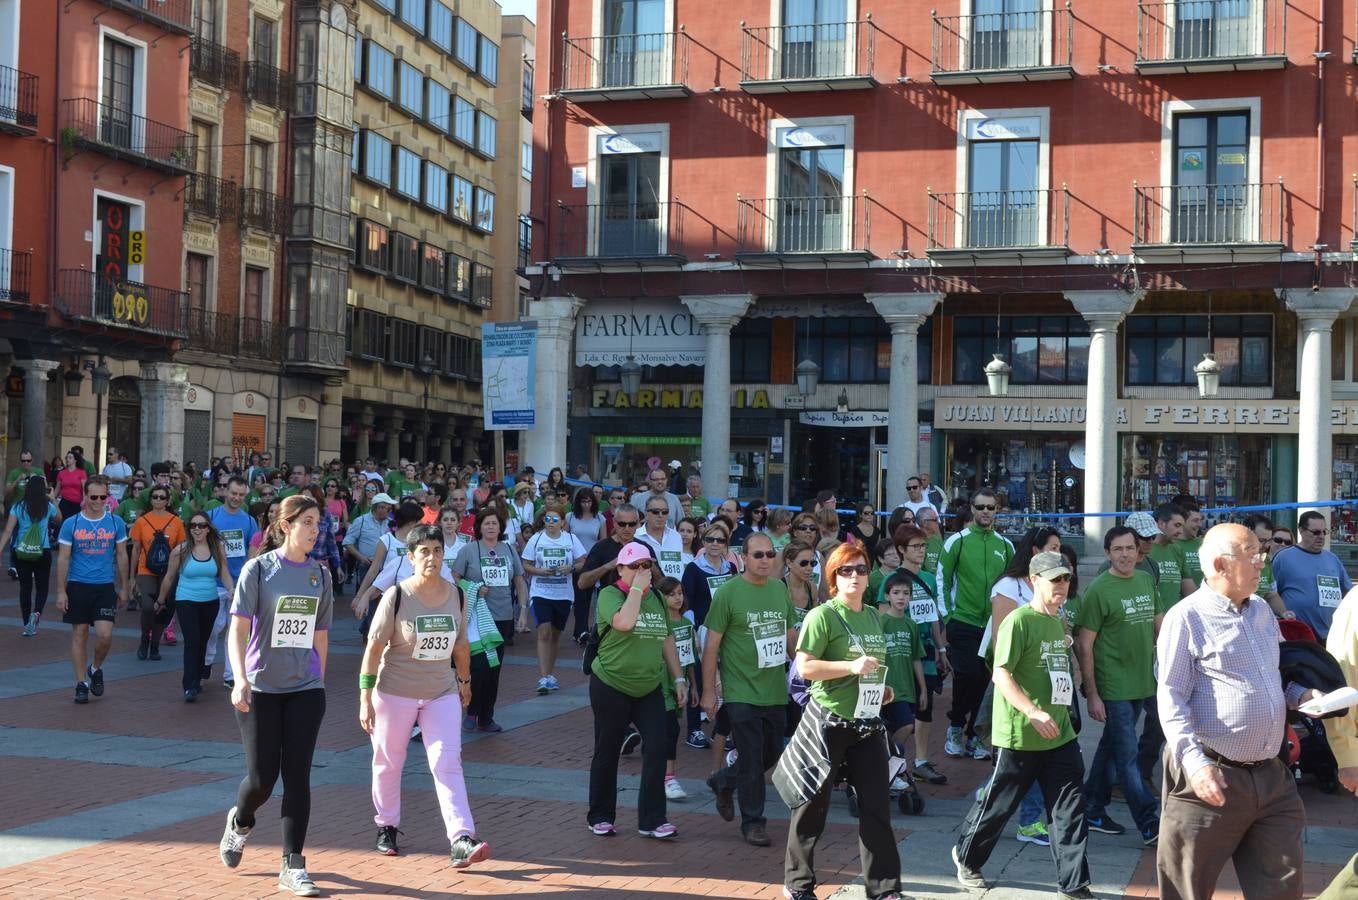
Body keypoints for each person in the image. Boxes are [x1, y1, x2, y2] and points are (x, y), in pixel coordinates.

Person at [1156, 523, 1314, 900]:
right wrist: (1195, 765)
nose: (1262, 562)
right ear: (1220, 565)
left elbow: (1276, 677)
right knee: (1186, 889)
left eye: (1262, 553)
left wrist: (1302, 695)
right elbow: (1171, 696)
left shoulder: (1262, 611)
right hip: (1210, 774)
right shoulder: (1186, 617)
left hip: (1272, 775)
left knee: (1282, 890)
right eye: (1253, 554)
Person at [952, 551, 1092, 899]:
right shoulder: (1018, 620)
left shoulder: (1058, 620)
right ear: (1034, 581)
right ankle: (968, 859)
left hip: (1059, 734)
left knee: (1069, 809)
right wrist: (1032, 711)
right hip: (1019, 734)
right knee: (998, 805)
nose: (1062, 585)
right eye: (1055, 579)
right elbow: (1001, 674)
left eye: (1066, 578)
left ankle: (1074, 884)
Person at [218, 494, 332, 897]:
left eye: (318, 523)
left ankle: (293, 864)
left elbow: (321, 635)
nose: (315, 530)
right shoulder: (259, 570)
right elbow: (237, 629)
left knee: (298, 776)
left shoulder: (320, 574)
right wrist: (240, 678)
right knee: (262, 779)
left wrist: (319, 681)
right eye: (307, 523)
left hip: (305, 689)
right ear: (286, 526)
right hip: (261, 688)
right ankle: (240, 821)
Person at [358, 524, 490, 868]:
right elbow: (374, 648)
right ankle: (387, 825)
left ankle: (461, 838)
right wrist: (364, 696)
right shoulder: (397, 595)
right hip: (394, 692)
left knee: (448, 761)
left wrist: (465, 681)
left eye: (437, 551)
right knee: (388, 761)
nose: (432, 558)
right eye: (424, 552)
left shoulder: (457, 594)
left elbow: (461, 644)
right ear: (411, 557)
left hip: (440, 692)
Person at [780, 542, 904, 900]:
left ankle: (884, 889)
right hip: (828, 722)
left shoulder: (873, 616)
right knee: (811, 807)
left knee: (876, 807)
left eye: (861, 569)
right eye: (845, 570)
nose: (854, 576)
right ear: (833, 576)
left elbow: (873, 668)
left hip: (866, 724)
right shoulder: (823, 616)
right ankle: (798, 884)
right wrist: (850, 667)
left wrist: (882, 690)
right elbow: (805, 667)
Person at [701, 532, 799, 847]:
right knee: (752, 754)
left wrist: (806, 669)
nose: (765, 560)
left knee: (771, 752)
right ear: (743, 557)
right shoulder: (728, 593)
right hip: (740, 688)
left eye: (770, 554)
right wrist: (708, 691)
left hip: (774, 688)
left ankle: (724, 780)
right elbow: (711, 646)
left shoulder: (779, 589)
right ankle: (753, 822)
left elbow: (790, 636)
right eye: (758, 555)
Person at [587, 541, 687, 839]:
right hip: (611, 684)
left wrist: (679, 678)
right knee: (608, 750)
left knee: (657, 746)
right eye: (634, 566)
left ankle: (653, 819)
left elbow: (666, 638)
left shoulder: (656, 598)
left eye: (646, 565)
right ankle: (600, 816)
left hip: (649, 686)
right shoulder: (610, 594)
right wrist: (635, 590)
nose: (641, 571)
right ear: (620, 569)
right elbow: (624, 622)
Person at [1076, 525, 1162, 846]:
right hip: (1113, 686)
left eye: (1130, 548)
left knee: (1111, 748)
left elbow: (1160, 625)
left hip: (1143, 681)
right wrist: (1092, 694)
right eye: (1118, 549)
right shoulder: (1099, 589)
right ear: (1107, 553)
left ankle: (1092, 808)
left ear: (1138, 552)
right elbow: (1084, 644)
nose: (1125, 555)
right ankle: (1149, 823)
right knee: (1128, 757)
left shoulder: (1145, 579)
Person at [940, 489, 1014, 761]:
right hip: (962, 621)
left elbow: (1013, 584)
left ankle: (975, 735)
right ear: (972, 509)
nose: (985, 512)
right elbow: (942, 578)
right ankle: (955, 727)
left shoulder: (1005, 545)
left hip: (994, 625)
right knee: (967, 676)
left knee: (986, 681)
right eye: (981, 507)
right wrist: (948, 615)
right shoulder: (956, 541)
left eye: (990, 507)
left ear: (997, 511)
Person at [55, 475, 127, 704]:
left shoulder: (116, 522)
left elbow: (122, 555)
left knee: (105, 635)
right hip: (78, 585)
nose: (98, 501)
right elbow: (63, 558)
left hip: (104, 586)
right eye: (93, 497)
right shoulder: (72, 523)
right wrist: (61, 591)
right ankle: (81, 684)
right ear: (85, 496)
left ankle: (95, 668)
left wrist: (125, 587)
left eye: (102, 497)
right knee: (80, 633)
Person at [893, 525, 949, 786]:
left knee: (925, 706)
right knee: (903, 709)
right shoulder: (893, 580)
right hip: (903, 653)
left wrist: (941, 649)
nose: (921, 551)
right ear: (901, 549)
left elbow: (933, 616)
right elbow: (885, 618)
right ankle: (892, 761)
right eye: (915, 546)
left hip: (926, 652)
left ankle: (922, 761)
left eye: (923, 546)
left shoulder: (928, 579)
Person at [161, 512, 234, 701]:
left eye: (201, 525)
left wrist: (231, 589)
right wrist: (160, 600)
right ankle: (189, 685)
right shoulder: (180, 550)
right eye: (193, 525)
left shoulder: (217, 548)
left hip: (210, 601)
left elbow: (224, 572)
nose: (197, 529)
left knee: (203, 640)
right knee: (192, 641)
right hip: (186, 600)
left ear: (208, 529)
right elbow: (169, 577)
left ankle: (199, 675)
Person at [679, 521, 740, 748]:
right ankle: (694, 729)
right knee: (698, 677)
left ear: (726, 544)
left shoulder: (731, 568)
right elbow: (687, 602)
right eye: (710, 539)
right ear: (703, 542)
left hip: (727, 631)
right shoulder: (693, 569)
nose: (715, 544)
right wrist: (693, 631)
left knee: (726, 678)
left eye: (720, 540)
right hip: (702, 631)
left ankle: (720, 731)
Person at [521, 503, 588, 694]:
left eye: (554, 519)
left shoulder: (571, 539)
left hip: (563, 594)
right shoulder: (536, 538)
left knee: (556, 635)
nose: (550, 522)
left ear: (562, 522)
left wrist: (571, 567)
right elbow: (526, 564)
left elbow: (583, 561)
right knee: (544, 632)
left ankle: (550, 674)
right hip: (541, 592)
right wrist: (540, 571)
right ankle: (543, 677)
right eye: (547, 519)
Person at [206, 476, 261, 689]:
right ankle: (206, 661)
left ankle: (230, 674)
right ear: (225, 492)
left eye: (241, 494)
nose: (237, 498)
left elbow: (252, 551)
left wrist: (245, 580)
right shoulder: (212, 516)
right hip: (214, 581)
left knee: (235, 631)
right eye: (233, 493)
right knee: (213, 627)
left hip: (239, 583)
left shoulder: (249, 521)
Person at [126, 485, 187, 660]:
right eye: (155, 497)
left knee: (162, 607)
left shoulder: (176, 522)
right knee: (147, 607)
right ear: (150, 499)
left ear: (168, 501)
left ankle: (155, 645)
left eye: (162, 497)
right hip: (146, 569)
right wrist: (132, 577)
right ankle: (145, 638)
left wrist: (181, 573)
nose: (158, 500)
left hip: (169, 570)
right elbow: (136, 549)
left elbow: (182, 548)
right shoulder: (142, 521)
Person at [1273, 510, 1353, 641]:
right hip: (1298, 635)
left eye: (1324, 532)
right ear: (1301, 531)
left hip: (1331, 635)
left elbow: (1349, 593)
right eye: (1315, 532)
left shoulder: (1332, 559)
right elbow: (1271, 593)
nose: (1321, 536)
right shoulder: (1283, 558)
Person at [0, 474, 60, 635]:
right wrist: (53, 499)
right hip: (43, 550)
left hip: (21, 551)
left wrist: (0, 549)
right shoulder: (47, 506)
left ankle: (27, 624)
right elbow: (59, 519)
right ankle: (37, 612)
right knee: (42, 587)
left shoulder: (18, 506)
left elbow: (8, 530)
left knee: (25, 588)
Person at [657, 575, 697, 799]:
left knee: (672, 729)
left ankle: (666, 776)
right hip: (660, 683)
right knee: (669, 729)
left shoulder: (687, 624)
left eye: (680, 593)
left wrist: (694, 686)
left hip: (679, 684)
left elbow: (689, 658)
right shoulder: (659, 623)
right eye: (671, 594)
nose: (677, 598)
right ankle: (668, 777)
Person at [636, 493, 686, 580]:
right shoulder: (636, 536)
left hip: (676, 585)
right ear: (646, 513)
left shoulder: (676, 536)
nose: (660, 515)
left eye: (665, 512)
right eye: (655, 512)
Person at [54, 451, 88, 520]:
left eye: (70, 458)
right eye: (66, 458)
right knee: (63, 522)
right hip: (64, 502)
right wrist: (52, 499)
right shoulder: (61, 473)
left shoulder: (81, 472)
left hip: (77, 503)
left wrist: (84, 501)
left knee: (75, 522)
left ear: (75, 460)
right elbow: (57, 489)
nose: (67, 459)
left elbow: (84, 489)